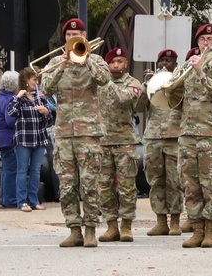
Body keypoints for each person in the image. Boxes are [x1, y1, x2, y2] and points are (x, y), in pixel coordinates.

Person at [42, 18, 112, 248]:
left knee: (90, 183)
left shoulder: (96, 60)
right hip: (64, 132)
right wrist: (62, 64)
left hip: (89, 132)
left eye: (78, 33)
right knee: (67, 184)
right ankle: (74, 229)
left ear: (84, 35)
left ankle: (91, 229)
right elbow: (45, 88)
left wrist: (87, 57)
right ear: (65, 38)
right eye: (70, 34)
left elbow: (104, 79)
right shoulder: (55, 62)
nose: (74, 37)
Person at [176, 25, 212, 249]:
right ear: (197, 42)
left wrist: (201, 73)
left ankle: (210, 231)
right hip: (188, 134)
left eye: (210, 39)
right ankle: (197, 228)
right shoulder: (187, 65)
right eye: (203, 39)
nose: (206, 43)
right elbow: (174, 97)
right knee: (191, 185)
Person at [97, 47, 148, 242]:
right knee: (104, 186)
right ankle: (111, 226)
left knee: (127, 186)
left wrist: (107, 81)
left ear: (126, 64)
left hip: (125, 141)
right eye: (112, 62)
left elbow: (126, 98)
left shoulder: (132, 83)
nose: (116, 65)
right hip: (103, 141)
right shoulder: (98, 83)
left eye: (120, 61)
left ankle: (126, 225)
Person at [145, 49, 185, 236]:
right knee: (155, 180)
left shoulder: (180, 84)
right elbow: (137, 107)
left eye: (169, 60)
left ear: (175, 64)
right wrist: (147, 86)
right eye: (162, 60)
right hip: (153, 136)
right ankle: (161, 220)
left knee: (174, 180)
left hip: (174, 135)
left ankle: (175, 221)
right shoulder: (152, 82)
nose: (164, 64)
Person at [7, 67, 54, 212]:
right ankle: (22, 201)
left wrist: (46, 113)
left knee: (36, 170)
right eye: (34, 79)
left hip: (39, 138)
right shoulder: (19, 98)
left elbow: (49, 121)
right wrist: (18, 97)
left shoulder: (40, 97)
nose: (37, 82)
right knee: (22, 170)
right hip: (24, 139)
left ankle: (34, 200)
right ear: (26, 80)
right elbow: (11, 112)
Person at [0, 71, 20, 208]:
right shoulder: (10, 99)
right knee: (11, 168)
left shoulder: (0, 97)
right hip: (7, 138)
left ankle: (4, 197)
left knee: (6, 168)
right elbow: (10, 120)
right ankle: (9, 198)